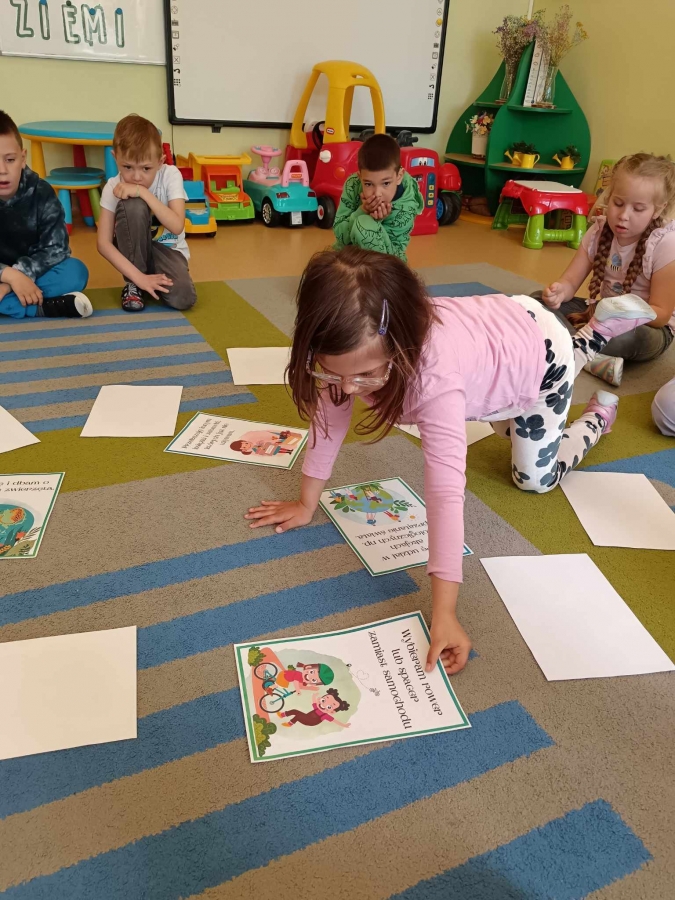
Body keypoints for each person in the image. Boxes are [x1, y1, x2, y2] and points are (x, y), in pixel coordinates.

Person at [244, 247, 658, 676]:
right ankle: (590, 338)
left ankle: (597, 399)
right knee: (505, 431)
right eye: (334, 374)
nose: (348, 389)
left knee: (534, 478)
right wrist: (307, 502)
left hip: (540, 356)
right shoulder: (347, 344)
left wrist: (444, 612)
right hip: (498, 336)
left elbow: (444, 492)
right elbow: (330, 417)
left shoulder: (434, 379)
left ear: (402, 345)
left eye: (367, 375)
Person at [538, 153, 675, 386]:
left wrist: (615, 318)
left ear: (657, 210)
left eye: (638, 209)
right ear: (609, 197)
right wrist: (559, 292)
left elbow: (660, 315)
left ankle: (561, 346)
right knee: (536, 303)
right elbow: (570, 282)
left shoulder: (665, 243)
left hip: (646, 329)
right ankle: (590, 357)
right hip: (599, 313)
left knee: (624, 338)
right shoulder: (599, 232)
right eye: (618, 203)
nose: (623, 216)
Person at [97, 114, 197, 313]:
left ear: (160, 162)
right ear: (115, 158)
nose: (136, 176)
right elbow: (103, 243)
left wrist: (142, 192)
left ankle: (150, 279)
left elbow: (177, 226)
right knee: (132, 204)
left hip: (168, 251)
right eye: (127, 167)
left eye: (146, 168)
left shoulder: (170, 175)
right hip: (132, 249)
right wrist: (138, 277)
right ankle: (134, 284)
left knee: (184, 298)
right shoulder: (112, 186)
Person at [0, 110, 91, 320]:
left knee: (76, 272)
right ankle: (39, 308)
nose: (2, 170)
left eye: (10, 159)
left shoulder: (41, 193)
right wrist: (8, 275)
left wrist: (14, 280)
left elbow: (57, 249)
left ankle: (9, 300)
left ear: (23, 158)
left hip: (35, 273)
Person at [333, 133, 423, 262]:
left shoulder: (407, 204)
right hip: (349, 256)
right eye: (368, 184)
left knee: (363, 224)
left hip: (387, 263)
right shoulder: (352, 185)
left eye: (386, 183)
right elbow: (339, 235)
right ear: (360, 177)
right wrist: (362, 211)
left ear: (399, 176)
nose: (377, 193)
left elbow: (394, 255)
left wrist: (376, 221)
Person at [277, 689, 351, 728]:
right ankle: (282, 715)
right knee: (295, 711)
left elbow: (335, 721)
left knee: (298, 716)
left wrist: (344, 725)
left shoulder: (325, 715)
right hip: (306, 717)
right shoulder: (317, 708)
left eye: (329, 707)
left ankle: (289, 723)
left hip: (311, 722)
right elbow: (314, 703)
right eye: (323, 700)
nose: (323, 704)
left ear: (332, 712)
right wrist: (314, 696)